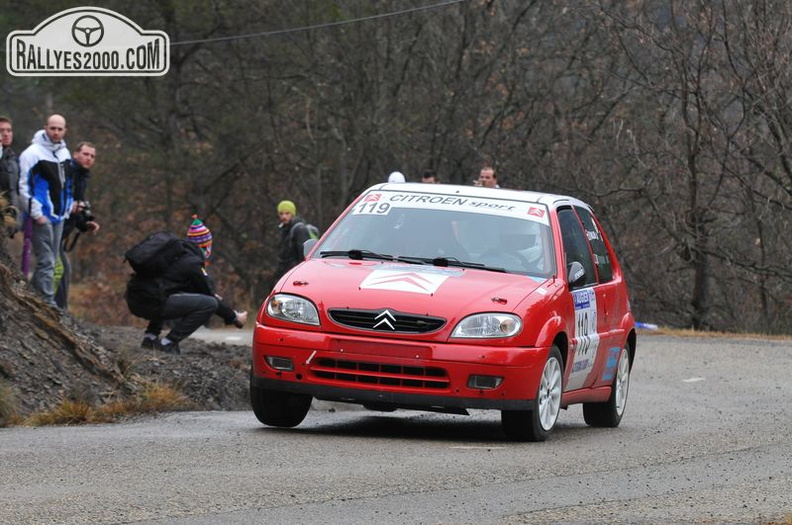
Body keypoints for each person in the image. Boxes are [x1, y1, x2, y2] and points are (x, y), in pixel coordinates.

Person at [129, 217, 247, 354]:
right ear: (206, 246)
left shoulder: (174, 256)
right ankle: (168, 343)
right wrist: (234, 317)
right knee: (209, 304)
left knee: (165, 294)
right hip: (151, 303)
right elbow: (209, 297)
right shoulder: (192, 263)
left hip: (135, 299)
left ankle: (150, 338)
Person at [18, 114, 73, 307]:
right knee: (47, 260)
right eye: (53, 128)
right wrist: (36, 214)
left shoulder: (65, 153)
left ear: (65, 130)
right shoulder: (32, 154)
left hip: (60, 215)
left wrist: (67, 208)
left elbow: (68, 183)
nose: (56, 132)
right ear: (45, 128)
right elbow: (23, 186)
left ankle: (31, 296)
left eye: (60, 129)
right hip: (40, 216)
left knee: (52, 259)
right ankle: (47, 302)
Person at [55, 142, 101, 310]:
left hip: (64, 229)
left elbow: (77, 205)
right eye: (86, 154)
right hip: (52, 225)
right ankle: (58, 309)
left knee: (63, 268)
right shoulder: (68, 171)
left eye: (92, 156)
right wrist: (69, 207)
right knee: (59, 269)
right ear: (75, 154)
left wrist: (85, 224)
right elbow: (58, 199)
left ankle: (60, 309)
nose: (89, 158)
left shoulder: (82, 175)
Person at [273, 200, 311, 283]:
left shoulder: (299, 229)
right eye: (281, 214)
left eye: (287, 213)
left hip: (295, 274)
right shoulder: (284, 230)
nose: (284, 217)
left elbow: (304, 254)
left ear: (292, 214)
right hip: (287, 273)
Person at [0, 116, 21, 236]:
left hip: (7, 216)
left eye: (9, 130)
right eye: (1, 131)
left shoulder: (13, 159)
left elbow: (15, 190)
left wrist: (15, 218)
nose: (6, 134)